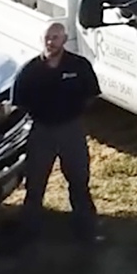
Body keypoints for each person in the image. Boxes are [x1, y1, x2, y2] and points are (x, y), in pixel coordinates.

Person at [13, 22, 104, 244]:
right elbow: (19, 103)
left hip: (71, 130)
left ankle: (86, 229)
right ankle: (29, 231)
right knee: (35, 182)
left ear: (64, 39)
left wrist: (74, 114)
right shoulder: (29, 70)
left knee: (79, 181)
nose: (51, 42)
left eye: (55, 37)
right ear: (41, 39)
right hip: (41, 131)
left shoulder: (79, 66)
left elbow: (92, 94)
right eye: (47, 38)